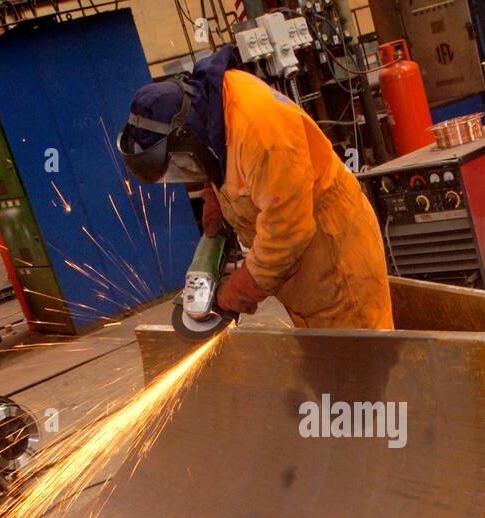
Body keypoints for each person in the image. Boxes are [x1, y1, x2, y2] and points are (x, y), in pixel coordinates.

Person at [117, 47, 392, 330]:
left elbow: (287, 233)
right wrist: (214, 198)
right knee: (326, 356)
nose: (185, 177)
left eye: (181, 165)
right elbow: (221, 155)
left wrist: (238, 290)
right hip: (304, 259)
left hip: (333, 252)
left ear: (184, 136)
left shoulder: (262, 133)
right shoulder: (208, 107)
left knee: (363, 362)